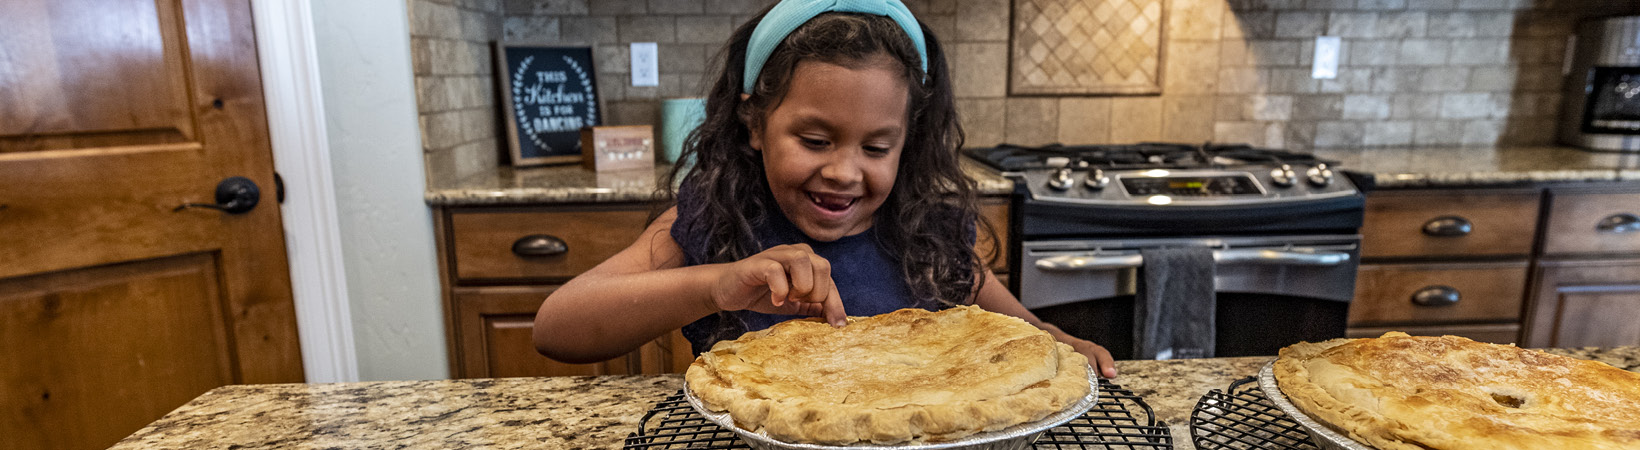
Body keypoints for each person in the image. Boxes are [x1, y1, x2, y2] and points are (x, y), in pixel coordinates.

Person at [532, 0, 1118, 378]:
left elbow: (998, 311)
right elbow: (556, 328)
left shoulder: (925, 233)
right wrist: (716, 284)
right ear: (755, 123)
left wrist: (1052, 337)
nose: (843, 171)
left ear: (908, 141)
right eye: (814, 140)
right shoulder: (717, 224)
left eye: (876, 147)